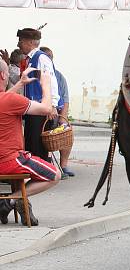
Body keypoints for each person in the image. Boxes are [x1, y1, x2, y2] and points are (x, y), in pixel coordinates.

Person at [0, 62, 62, 226]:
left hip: (5, 160)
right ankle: (9, 202)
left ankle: (12, 201)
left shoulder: (6, 99)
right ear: (3, 76)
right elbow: (47, 109)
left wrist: (21, 83)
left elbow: (4, 100)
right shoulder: (10, 99)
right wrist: (46, 85)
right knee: (55, 175)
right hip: (9, 161)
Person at [16, 28, 60, 160]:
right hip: (33, 109)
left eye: (21, 41)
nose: (19, 44)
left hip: (40, 109)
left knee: (37, 146)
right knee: (30, 144)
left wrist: (52, 104)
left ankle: (42, 173)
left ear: (30, 42)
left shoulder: (41, 58)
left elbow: (51, 81)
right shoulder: (30, 59)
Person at [40, 47, 75, 177]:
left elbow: (65, 99)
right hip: (42, 113)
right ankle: (46, 162)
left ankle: (64, 165)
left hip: (56, 113)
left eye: (50, 57)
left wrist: (63, 118)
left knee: (67, 130)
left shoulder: (59, 77)